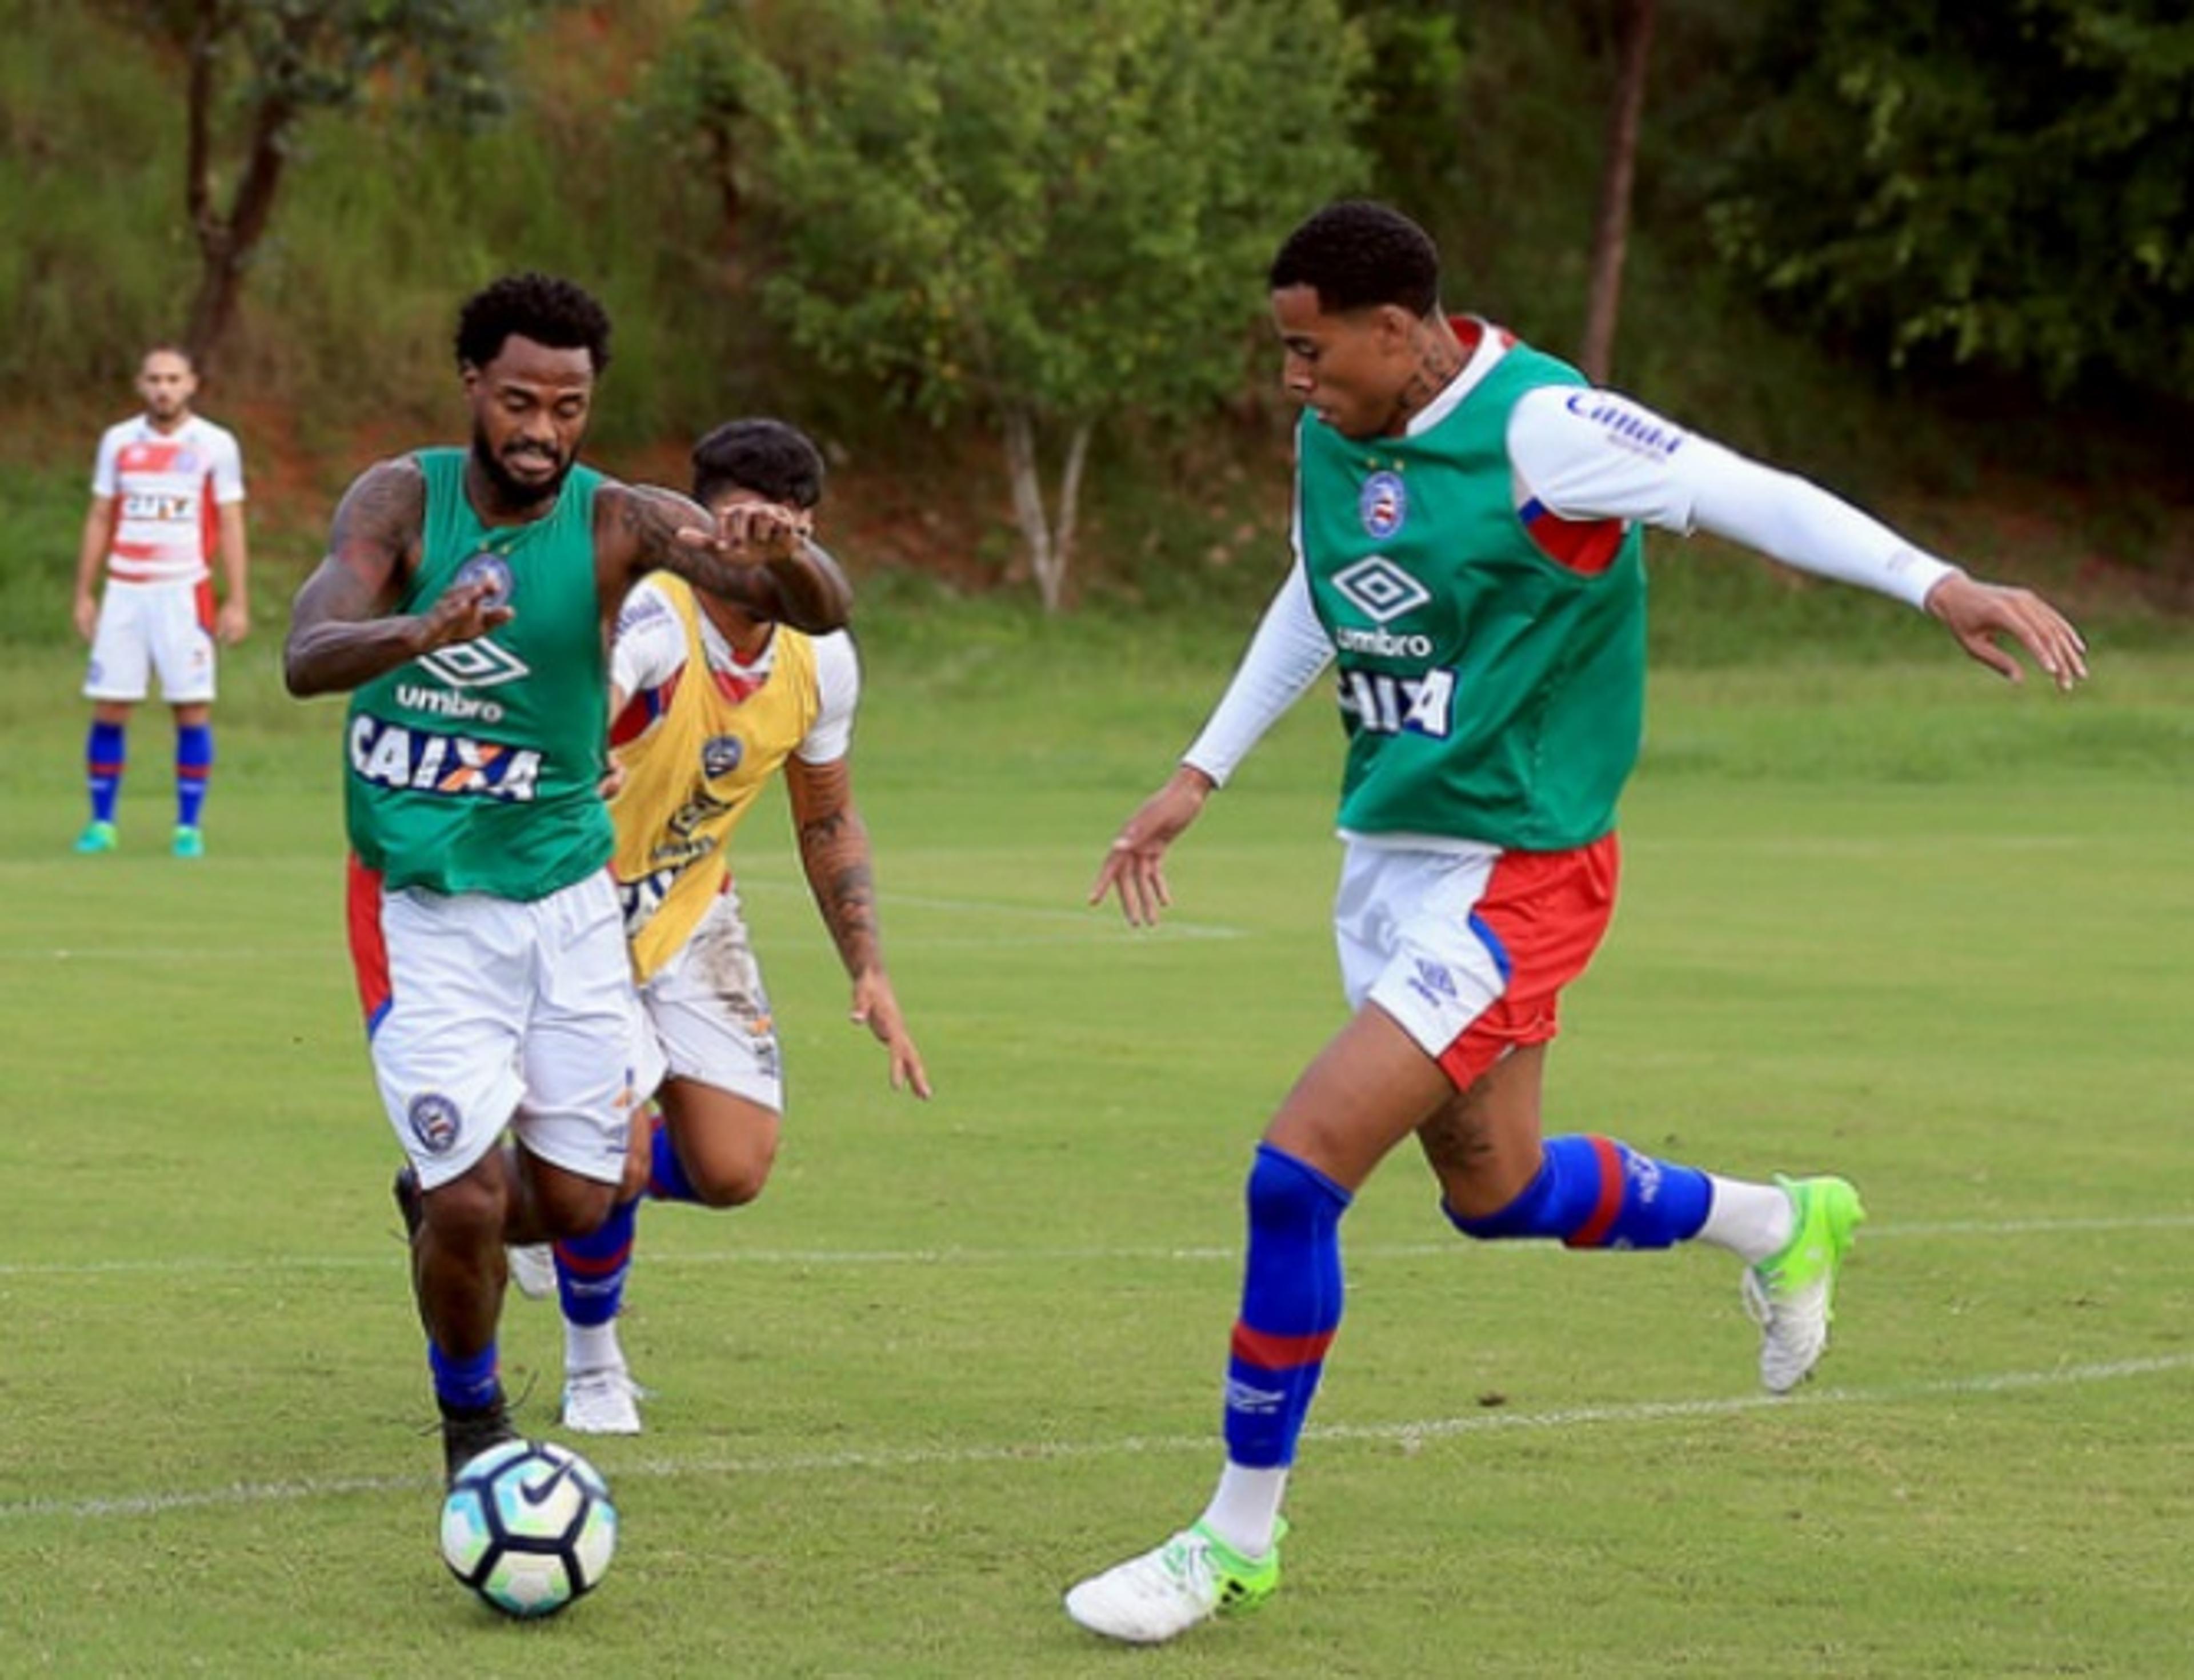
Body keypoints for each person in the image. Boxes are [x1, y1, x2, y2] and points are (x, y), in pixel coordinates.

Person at [1064, 199, 2088, 1645]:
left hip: (1516, 876)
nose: (1293, 380)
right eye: (1284, 353)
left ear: (1397, 329)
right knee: (1493, 1190)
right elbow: (1322, 588)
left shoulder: (1549, 428)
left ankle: (1230, 1541)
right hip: (1388, 860)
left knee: (1294, 1176)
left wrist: (1932, 582)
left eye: (1311, 352)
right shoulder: (1334, 439)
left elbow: (1750, 492)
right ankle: (1778, 1223)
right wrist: (1195, 771)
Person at [281, 273, 852, 1484]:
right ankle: (474, 1424)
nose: (543, 431)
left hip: (567, 905)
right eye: (521, 401)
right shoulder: (401, 500)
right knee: (481, 1202)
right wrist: (418, 632)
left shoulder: (618, 522)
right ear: (474, 388)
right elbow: (306, 652)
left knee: (586, 1200)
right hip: (422, 904)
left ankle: (432, 1201)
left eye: (571, 406)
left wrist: (785, 556)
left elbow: (816, 608)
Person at [527, 416, 931, 1435]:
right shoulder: (657, 619)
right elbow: (602, 685)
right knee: (613, 1158)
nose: (755, 553)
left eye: (780, 532)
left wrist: (869, 967)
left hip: (687, 903)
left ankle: (534, 1189)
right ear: (695, 528)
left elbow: (827, 814)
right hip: (570, 908)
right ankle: (593, 1365)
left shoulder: (821, 656)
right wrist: (589, 740)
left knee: (733, 1168)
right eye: (736, 528)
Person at [72, 345, 251, 859]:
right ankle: (102, 823)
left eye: (173, 379)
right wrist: (85, 592)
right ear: (139, 384)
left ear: (192, 384)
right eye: (154, 378)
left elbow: (232, 521)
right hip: (126, 590)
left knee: (191, 708)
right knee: (111, 705)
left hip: (184, 591)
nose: (163, 388)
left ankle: (188, 828)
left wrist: (236, 600)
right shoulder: (119, 442)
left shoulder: (215, 444)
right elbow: (100, 516)